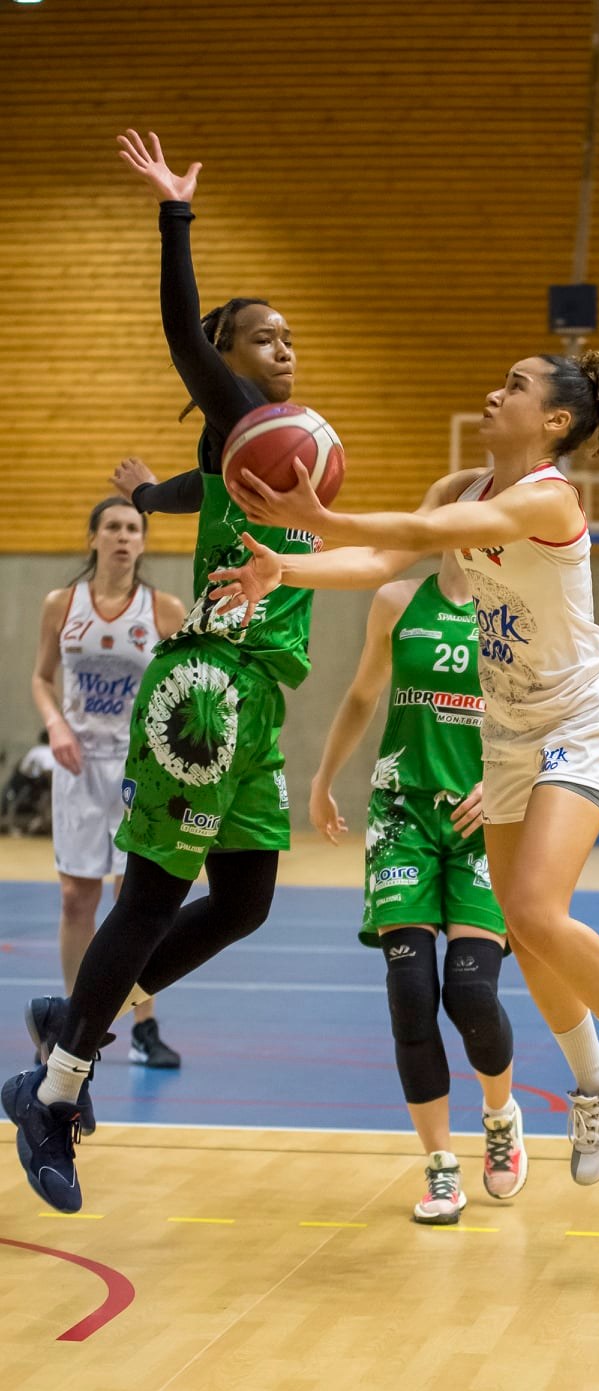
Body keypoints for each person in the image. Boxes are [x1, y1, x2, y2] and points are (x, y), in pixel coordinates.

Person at [211, 351, 599, 1182]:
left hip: (581, 717)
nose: (492, 390)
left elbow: (422, 537)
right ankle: (596, 1082)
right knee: (520, 921)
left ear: (553, 421)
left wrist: (318, 516)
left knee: (540, 910)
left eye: (515, 385)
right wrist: (283, 567)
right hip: (507, 729)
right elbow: (380, 565)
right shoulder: (462, 485)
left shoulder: (548, 498)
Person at [3, 129, 318, 1214]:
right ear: (231, 361)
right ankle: (53, 1090)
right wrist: (175, 213)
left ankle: (76, 1014)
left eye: (290, 337)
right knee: (148, 894)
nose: (285, 349)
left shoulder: (276, 446)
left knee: (244, 900)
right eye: (263, 339)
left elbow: (195, 485)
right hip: (208, 691)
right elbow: (183, 333)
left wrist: (161, 489)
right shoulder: (242, 411)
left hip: (262, 694)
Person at [310, 549, 523, 1223]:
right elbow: (363, 694)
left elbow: (544, 726)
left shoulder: (518, 616)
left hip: (482, 823)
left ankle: (500, 1114)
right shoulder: (398, 602)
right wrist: (321, 780)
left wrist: (503, 785)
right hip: (401, 814)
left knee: (469, 992)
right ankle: (440, 1169)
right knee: (409, 995)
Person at [31, 497, 186, 1068]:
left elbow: (183, 689)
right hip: (77, 764)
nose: (124, 536)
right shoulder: (61, 604)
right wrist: (55, 726)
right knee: (77, 898)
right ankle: (76, 1027)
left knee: (136, 903)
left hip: (138, 768)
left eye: (134, 528)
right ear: (94, 536)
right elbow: (41, 678)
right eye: (114, 527)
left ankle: (143, 1025)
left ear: (143, 542)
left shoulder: (164, 610)